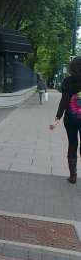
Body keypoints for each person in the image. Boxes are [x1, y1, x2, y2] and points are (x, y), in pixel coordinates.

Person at [49, 56, 81, 184]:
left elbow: (64, 102)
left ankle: (73, 176)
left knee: (72, 144)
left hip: (71, 118)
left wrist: (57, 118)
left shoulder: (68, 81)